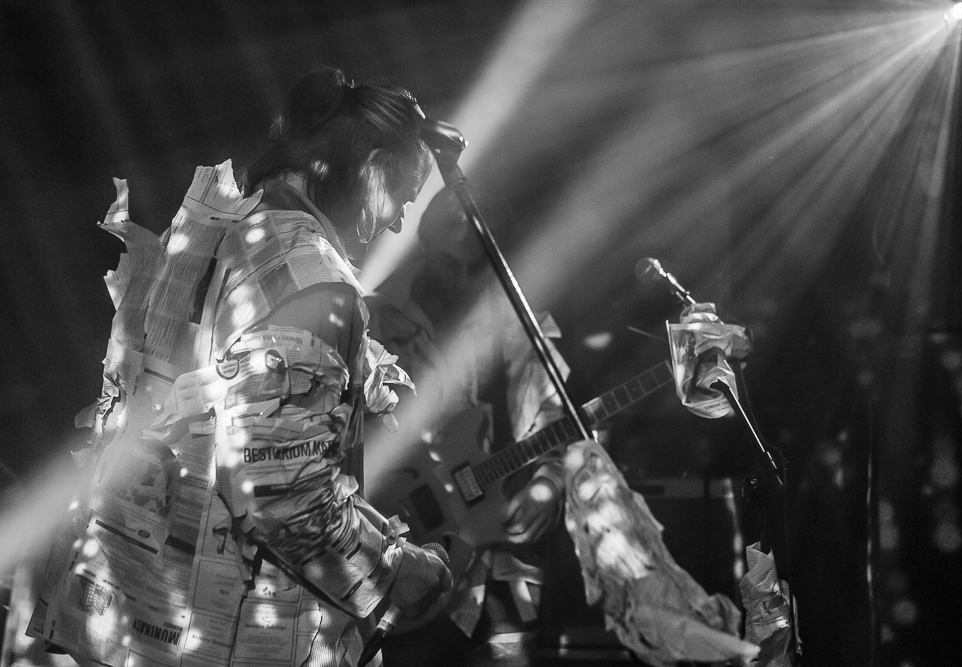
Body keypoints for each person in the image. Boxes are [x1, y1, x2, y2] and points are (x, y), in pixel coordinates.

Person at [29, 67, 450, 667]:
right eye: (403, 197)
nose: (399, 222)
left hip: (130, 621)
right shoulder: (314, 277)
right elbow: (283, 494)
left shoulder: (211, 236)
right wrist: (398, 570)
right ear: (373, 166)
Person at [364, 187, 568, 666]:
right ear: (424, 247)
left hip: (501, 557)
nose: (459, 280)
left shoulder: (523, 321)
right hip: (403, 550)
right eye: (447, 263)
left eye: (474, 268)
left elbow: (555, 418)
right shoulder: (377, 315)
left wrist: (549, 482)